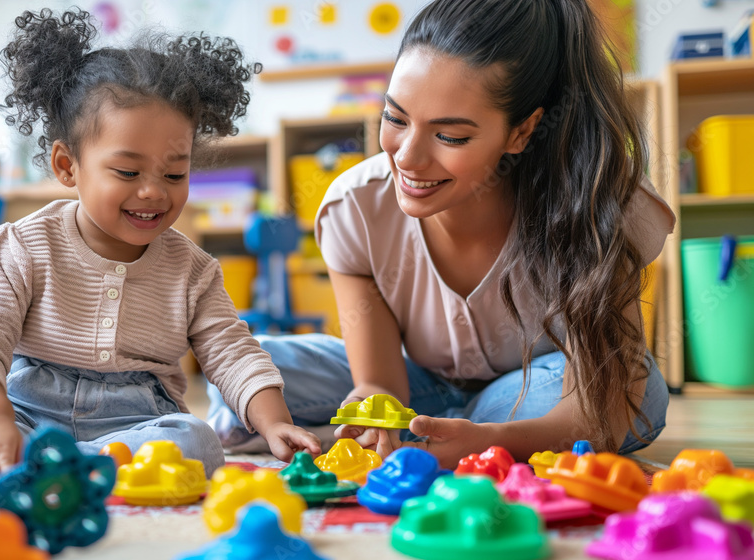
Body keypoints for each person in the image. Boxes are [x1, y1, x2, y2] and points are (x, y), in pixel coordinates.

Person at [208, 0, 674, 467]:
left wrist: (495, 438)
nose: (407, 157)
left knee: (635, 392)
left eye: (449, 137)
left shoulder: (597, 199)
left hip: (533, 384)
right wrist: (373, 411)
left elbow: (611, 396)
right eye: (395, 118)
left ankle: (469, 430)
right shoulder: (356, 208)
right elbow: (380, 382)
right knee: (250, 364)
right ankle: (443, 430)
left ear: (523, 131)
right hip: (419, 383)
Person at [0, 8, 320, 490]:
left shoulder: (193, 270)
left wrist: (272, 421)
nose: (153, 192)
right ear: (67, 165)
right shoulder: (23, 244)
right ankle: (68, 461)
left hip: (137, 421)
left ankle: (56, 464)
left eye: (174, 174)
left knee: (196, 444)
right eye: (128, 172)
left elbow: (232, 350)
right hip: (27, 411)